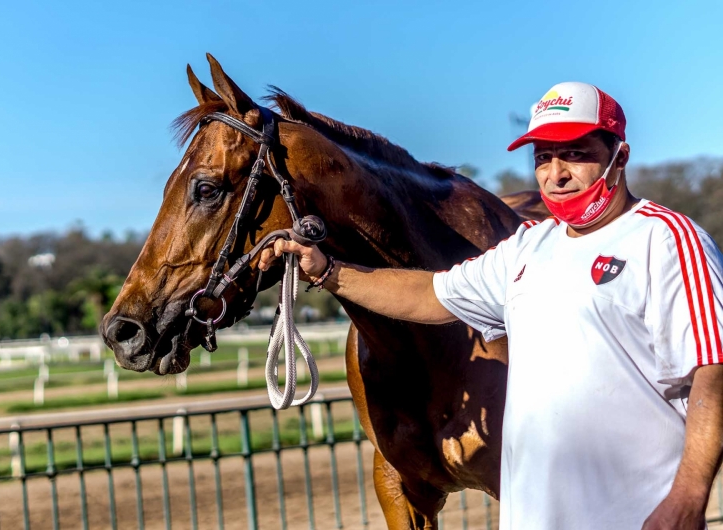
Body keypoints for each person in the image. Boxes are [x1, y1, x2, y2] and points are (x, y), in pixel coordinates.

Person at [258, 82, 723, 530]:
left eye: (576, 154)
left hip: (639, 515)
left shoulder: (668, 240)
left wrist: (687, 499)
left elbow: (714, 371)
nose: (556, 173)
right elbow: (429, 294)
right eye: (544, 158)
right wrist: (326, 270)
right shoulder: (526, 248)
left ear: (619, 157)